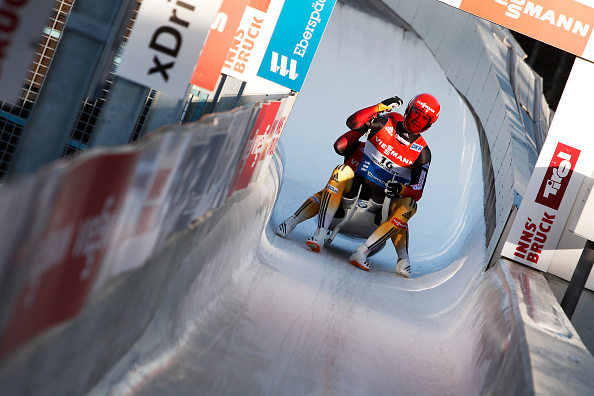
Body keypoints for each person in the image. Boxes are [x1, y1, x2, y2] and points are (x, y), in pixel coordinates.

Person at [276, 93, 440, 278]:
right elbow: (352, 124)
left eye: (424, 118)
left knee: (409, 205)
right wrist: (379, 107)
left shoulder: (423, 153)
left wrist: (400, 189)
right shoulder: (385, 124)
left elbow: (417, 191)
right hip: (352, 195)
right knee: (341, 172)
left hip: (381, 210)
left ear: (429, 125)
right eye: (416, 113)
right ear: (408, 110)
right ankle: (315, 231)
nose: (417, 120)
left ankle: (371, 253)